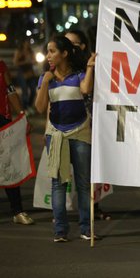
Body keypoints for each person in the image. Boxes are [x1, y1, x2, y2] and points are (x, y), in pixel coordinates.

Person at [35, 35, 99, 242]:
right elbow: (40, 107)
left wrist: (90, 67)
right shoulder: (46, 78)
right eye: (48, 51)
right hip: (56, 135)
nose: (48, 56)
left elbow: (86, 90)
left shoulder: (79, 75)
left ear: (64, 54)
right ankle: (60, 230)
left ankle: (86, 228)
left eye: (52, 51)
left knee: (83, 182)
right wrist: (45, 82)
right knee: (58, 184)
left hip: (80, 132)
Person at [65, 29, 111, 221]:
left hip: (88, 120)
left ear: (82, 46)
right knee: (64, 170)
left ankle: (94, 207)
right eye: (65, 44)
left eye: (73, 45)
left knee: (89, 168)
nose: (69, 49)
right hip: (66, 121)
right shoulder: (59, 65)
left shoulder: (91, 63)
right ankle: (62, 210)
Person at [0, 60, 34, 225]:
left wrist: (22, 114)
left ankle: (18, 211)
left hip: (2, 120)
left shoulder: (1, 65)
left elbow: (10, 90)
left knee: (9, 165)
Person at [12, 39, 37, 114]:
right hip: (22, 73)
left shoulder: (31, 52)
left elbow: (34, 61)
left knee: (33, 90)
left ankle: (29, 106)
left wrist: (33, 61)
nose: (27, 44)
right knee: (25, 90)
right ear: (23, 43)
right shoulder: (19, 51)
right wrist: (25, 61)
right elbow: (15, 62)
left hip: (30, 73)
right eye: (26, 43)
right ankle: (24, 108)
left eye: (28, 43)